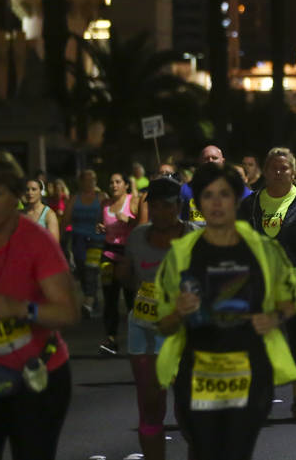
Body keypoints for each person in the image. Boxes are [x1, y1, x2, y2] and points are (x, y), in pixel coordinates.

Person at [154, 163, 296, 460]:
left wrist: (273, 317)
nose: (217, 203)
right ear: (196, 203)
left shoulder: (263, 250)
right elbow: (163, 324)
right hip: (198, 375)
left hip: (251, 372)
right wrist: (179, 312)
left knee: (237, 452)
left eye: (224, 194)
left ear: (236, 200)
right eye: (208, 196)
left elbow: (289, 301)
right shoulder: (181, 253)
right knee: (205, 451)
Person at [0, 153, 79, 460]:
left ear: (15, 197)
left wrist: (20, 309)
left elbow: (68, 312)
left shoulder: (35, 240)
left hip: (37, 377)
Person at [238, 147, 296, 420]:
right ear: (265, 172)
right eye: (274, 168)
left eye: (284, 168)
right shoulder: (251, 204)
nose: (279, 173)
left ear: (294, 172)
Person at [118, 177, 194, 460]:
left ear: (179, 206)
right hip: (145, 328)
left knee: (189, 411)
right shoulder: (138, 237)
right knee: (150, 406)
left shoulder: (195, 237)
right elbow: (129, 278)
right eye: (155, 206)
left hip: (185, 332)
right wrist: (122, 273)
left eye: (167, 206)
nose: (161, 212)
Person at [99, 172, 144, 355]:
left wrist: (128, 220)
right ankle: (111, 339)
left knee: (131, 298)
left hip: (127, 254)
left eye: (118, 182)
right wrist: (100, 227)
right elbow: (102, 223)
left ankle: (138, 339)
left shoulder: (133, 201)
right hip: (108, 254)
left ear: (125, 185)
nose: (114, 185)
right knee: (109, 299)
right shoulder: (105, 204)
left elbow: (141, 225)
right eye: (111, 182)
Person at [63, 169, 103, 316]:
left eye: (92, 179)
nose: (89, 182)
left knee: (91, 269)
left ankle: (88, 303)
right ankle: (92, 299)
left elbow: (108, 217)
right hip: (78, 239)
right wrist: (60, 237)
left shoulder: (101, 197)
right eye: (86, 180)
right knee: (81, 269)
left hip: (96, 240)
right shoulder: (75, 199)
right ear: (81, 182)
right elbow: (66, 219)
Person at [21, 178, 59, 242]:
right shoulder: (21, 213)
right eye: (27, 190)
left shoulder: (49, 214)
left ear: (41, 192)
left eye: (34, 189)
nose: (30, 192)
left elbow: (54, 244)